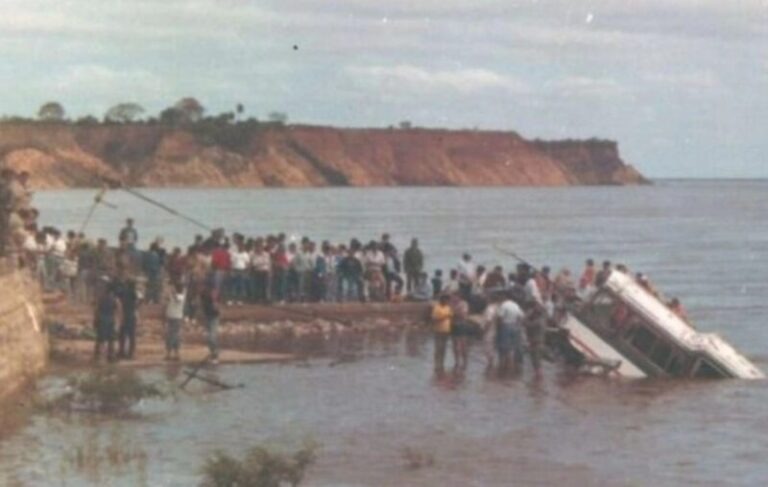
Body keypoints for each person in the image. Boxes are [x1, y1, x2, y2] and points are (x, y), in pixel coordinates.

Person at [495, 293, 524, 376]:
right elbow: (521, 316)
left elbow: (500, 317)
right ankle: (510, 367)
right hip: (515, 327)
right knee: (512, 348)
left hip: (505, 326)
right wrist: (517, 325)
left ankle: (503, 367)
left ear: (505, 297)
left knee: (504, 348)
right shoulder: (516, 305)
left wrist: (499, 327)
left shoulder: (504, 305)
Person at [93, 280, 122, 362]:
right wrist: (119, 323)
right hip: (111, 320)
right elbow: (119, 311)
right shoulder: (115, 299)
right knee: (111, 339)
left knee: (100, 339)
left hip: (102, 319)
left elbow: (97, 310)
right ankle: (110, 355)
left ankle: (98, 355)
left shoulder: (101, 298)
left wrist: (95, 320)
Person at [117, 278, 140, 360]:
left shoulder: (123, 292)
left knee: (122, 334)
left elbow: (118, 297)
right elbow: (138, 302)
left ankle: (121, 351)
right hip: (131, 315)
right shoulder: (134, 293)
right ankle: (131, 353)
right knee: (131, 335)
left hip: (124, 315)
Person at [430, 294, 454, 375]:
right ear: (442, 300)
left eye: (448, 300)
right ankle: (437, 364)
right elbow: (434, 318)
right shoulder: (437, 308)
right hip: (438, 330)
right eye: (446, 300)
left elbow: (451, 316)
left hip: (446, 331)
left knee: (443, 348)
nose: (447, 302)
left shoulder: (448, 307)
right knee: (438, 347)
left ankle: (442, 363)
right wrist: (445, 316)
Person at [164, 282, 186, 361]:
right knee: (170, 335)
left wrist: (172, 292)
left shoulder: (181, 295)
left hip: (176, 317)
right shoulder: (172, 295)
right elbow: (167, 302)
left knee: (174, 336)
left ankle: (174, 353)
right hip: (170, 316)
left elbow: (177, 299)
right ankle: (171, 353)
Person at [200, 282, 221, 363]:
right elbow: (202, 306)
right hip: (208, 316)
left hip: (214, 317)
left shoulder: (211, 295)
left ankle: (215, 354)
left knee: (212, 336)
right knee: (208, 336)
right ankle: (212, 352)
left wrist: (214, 301)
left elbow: (216, 308)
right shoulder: (203, 295)